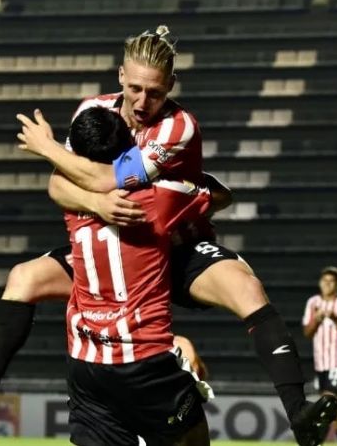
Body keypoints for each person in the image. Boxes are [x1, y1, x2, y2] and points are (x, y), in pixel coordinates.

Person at [0, 25, 336, 446]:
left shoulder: (178, 127)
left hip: (177, 246)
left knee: (248, 289)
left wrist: (51, 150)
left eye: (155, 93)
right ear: (120, 75)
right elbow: (59, 185)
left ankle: (298, 412)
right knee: (23, 278)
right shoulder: (94, 111)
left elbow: (108, 176)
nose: (143, 102)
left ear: (171, 87)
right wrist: (97, 203)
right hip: (121, 245)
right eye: (136, 88)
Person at [68, 107, 214, 445]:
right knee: (193, 437)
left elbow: (59, 182)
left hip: (86, 358)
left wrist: (48, 147)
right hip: (142, 355)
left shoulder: (70, 200)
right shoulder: (156, 198)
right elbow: (213, 195)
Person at [303, 267, 337, 446]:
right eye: (324, 280)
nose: (326, 284)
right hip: (321, 363)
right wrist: (317, 320)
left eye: (331, 281)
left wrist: (335, 319)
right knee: (334, 408)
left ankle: (316, 442)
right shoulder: (313, 302)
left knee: (327, 400)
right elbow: (307, 333)